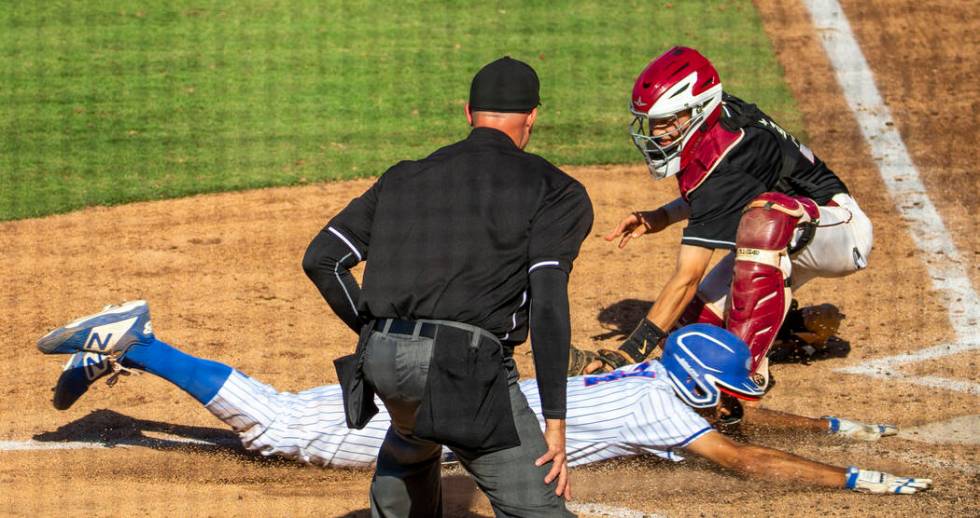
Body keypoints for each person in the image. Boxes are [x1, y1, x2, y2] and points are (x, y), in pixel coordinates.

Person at [37, 301, 932, 495]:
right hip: (452, 415)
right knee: (275, 430)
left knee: (291, 412)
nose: (734, 403)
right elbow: (743, 455)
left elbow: (737, 422)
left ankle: (128, 364)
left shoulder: (661, 385)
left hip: (457, 390)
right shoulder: (672, 415)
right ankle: (139, 342)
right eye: (729, 391)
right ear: (705, 389)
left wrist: (831, 420)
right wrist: (855, 478)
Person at [300, 57, 593, 517]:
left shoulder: (403, 176)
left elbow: (322, 259)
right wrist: (556, 423)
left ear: (468, 112)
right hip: (463, 372)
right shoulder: (555, 189)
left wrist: (377, 331)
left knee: (412, 440)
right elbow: (549, 304)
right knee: (537, 510)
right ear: (533, 116)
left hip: (381, 360)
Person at [577, 47, 873, 391]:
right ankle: (801, 326)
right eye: (653, 123)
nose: (657, 133)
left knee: (766, 218)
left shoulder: (736, 150)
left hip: (836, 229)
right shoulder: (713, 126)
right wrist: (662, 215)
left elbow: (688, 277)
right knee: (684, 334)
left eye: (667, 121)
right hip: (781, 244)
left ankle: (744, 375)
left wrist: (630, 353)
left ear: (698, 110)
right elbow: (719, 194)